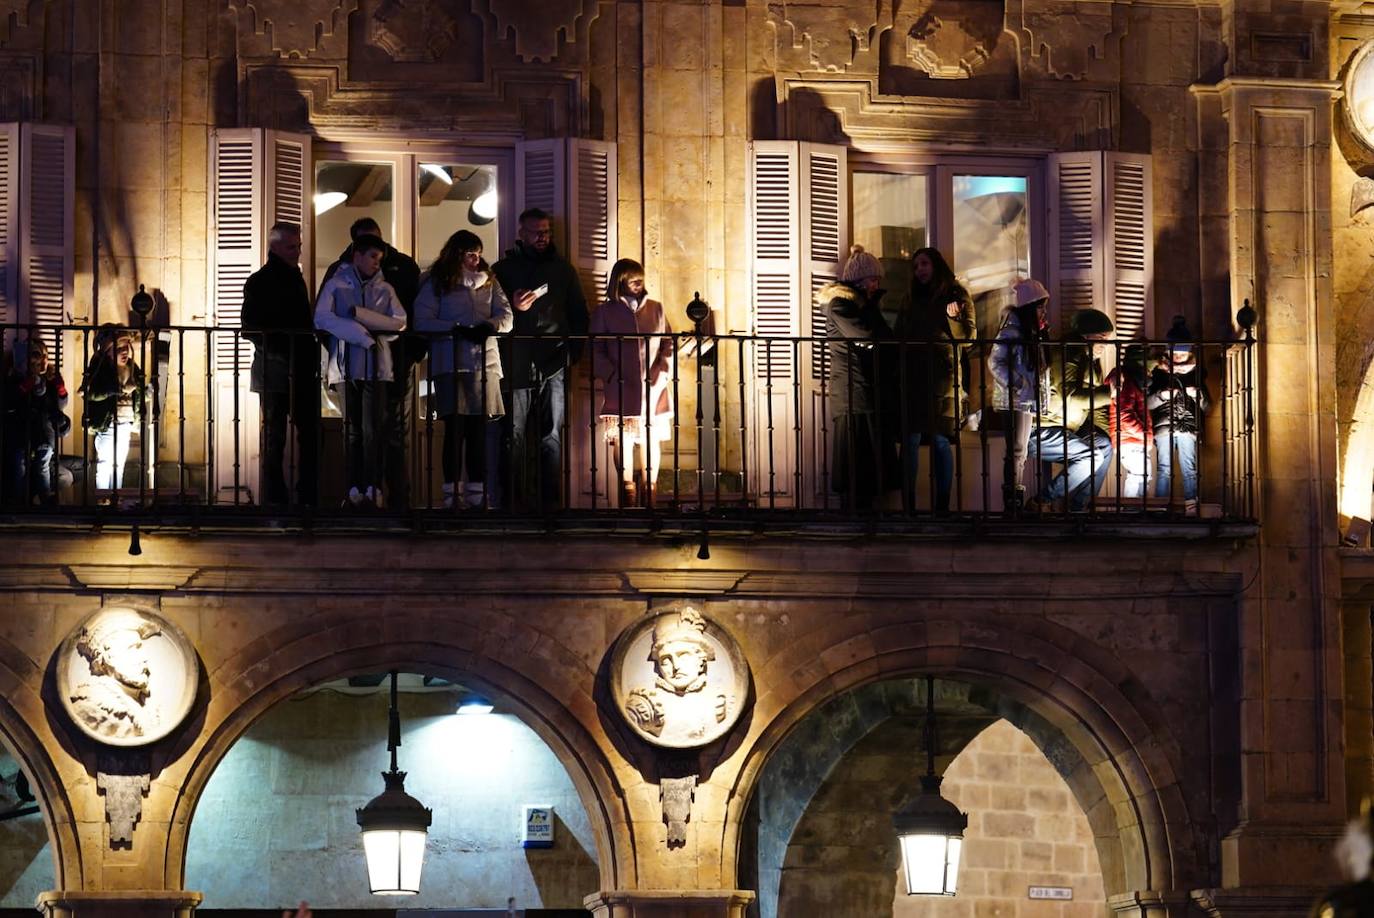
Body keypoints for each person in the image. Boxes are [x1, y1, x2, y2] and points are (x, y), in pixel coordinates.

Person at [321, 218, 423, 509]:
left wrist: (408, 353)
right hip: (350, 365)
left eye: (377, 247)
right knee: (357, 428)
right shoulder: (338, 275)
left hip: (389, 364)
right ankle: (358, 490)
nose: (375, 255)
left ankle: (393, 494)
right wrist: (346, 343)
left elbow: (405, 319)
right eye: (367, 247)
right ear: (355, 248)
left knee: (388, 431)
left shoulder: (400, 270)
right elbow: (323, 320)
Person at [492, 208, 589, 510]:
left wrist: (572, 353)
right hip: (515, 360)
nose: (543, 237)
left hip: (555, 360)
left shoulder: (563, 271)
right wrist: (514, 307)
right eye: (536, 232)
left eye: (546, 232)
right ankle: (511, 503)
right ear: (521, 233)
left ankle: (550, 505)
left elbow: (578, 314)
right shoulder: (503, 270)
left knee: (551, 435)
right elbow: (491, 313)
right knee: (513, 435)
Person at [413, 230, 512, 510]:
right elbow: (422, 319)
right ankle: (452, 493)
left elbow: (507, 316)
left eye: (478, 254)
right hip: (451, 363)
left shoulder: (490, 282)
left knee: (479, 430)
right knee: (455, 428)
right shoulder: (438, 283)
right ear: (457, 254)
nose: (475, 259)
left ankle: (478, 493)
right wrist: (454, 329)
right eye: (471, 254)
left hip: (485, 363)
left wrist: (489, 327)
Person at [988, 280, 1105, 512]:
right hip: (1017, 399)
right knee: (1017, 452)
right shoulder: (1013, 329)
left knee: (1018, 452)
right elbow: (995, 361)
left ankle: (1017, 503)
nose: (1043, 311)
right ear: (1029, 306)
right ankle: (1013, 505)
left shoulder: (1033, 331)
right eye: (1040, 306)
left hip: (1027, 398)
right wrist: (1019, 384)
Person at [242, 222, 320, 507]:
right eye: (292, 246)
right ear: (275, 247)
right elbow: (250, 326)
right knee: (278, 436)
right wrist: (283, 347)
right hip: (276, 367)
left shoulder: (289, 277)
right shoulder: (261, 281)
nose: (298, 251)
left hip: (292, 366)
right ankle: (282, 497)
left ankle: (299, 495)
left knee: (301, 433)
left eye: (298, 246)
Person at [893, 246, 975, 512]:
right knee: (911, 440)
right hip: (914, 375)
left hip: (944, 377)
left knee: (941, 440)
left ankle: (942, 508)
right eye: (916, 266)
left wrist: (953, 318)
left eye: (924, 264)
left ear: (936, 265)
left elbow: (968, 338)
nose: (920, 270)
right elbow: (900, 333)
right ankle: (909, 508)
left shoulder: (956, 293)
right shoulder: (910, 297)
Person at [589, 258, 674, 507]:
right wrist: (611, 374)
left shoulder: (657, 309)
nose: (638, 283)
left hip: (653, 386)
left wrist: (662, 372)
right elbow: (595, 348)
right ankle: (628, 493)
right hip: (620, 386)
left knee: (651, 438)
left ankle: (651, 493)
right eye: (632, 278)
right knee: (623, 439)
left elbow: (669, 342)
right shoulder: (604, 312)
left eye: (640, 278)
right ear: (620, 281)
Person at [819, 244, 894, 510]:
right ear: (860, 280)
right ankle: (854, 510)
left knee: (868, 457)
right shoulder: (840, 305)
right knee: (856, 457)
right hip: (852, 391)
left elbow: (883, 337)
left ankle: (865, 508)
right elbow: (868, 336)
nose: (876, 284)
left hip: (863, 389)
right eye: (873, 279)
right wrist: (873, 313)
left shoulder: (860, 306)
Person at [1044, 308, 1116, 510]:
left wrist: (1111, 433)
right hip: (1051, 423)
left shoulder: (1090, 359)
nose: (1106, 343)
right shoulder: (1068, 353)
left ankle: (1079, 507)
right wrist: (1107, 393)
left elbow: (1096, 404)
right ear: (1085, 334)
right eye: (1102, 337)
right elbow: (1071, 397)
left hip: (1071, 423)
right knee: (1091, 456)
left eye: (1108, 338)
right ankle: (1044, 499)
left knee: (1105, 446)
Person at [1148, 315, 1209, 502]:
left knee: (1189, 468)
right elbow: (1147, 404)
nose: (1178, 358)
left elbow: (1207, 406)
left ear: (1189, 354)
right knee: (1164, 468)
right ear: (1167, 353)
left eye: (1182, 355)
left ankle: (1192, 505)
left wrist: (1196, 395)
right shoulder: (1158, 373)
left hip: (1188, 427)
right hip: (1164, 427)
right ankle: (1160, 506)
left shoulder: (1196, 373)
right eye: (1174, 354)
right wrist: (1161, 396)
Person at [81, 326, 145, 503]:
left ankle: (117, 498)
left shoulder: (132, 367)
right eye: (119, 349)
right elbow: (90, 392)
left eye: (126, 348)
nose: (124, 352)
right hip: (107, 423)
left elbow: (139, 393)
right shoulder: (100, 368)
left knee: (119, 464)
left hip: (125, 422)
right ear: (109, 351)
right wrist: (113, 391)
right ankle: (103, 499)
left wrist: (138, 418)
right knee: (105, 464)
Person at [4, 339, 68, 506]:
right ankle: (20, 502)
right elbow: (10, 402)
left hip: (44, 433)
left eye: (46, 355)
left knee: (43, 467)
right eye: (38, 356)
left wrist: (60, 390)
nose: (43, 361)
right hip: (21, 433)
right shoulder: (15, 378)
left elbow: (59, 406)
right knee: (20, 466)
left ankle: (46, 501)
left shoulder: (51, 378)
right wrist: (24, 388)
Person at [1106, 342, 1152, 499]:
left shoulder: (1132, 382)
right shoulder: (1127, 382)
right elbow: (1124, 414)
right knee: (1137, 476)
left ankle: (1137, 509)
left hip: (1131, 440)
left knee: (1142, 475)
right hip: (1130, 440)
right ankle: (1131, 509)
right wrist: (1144, 434)